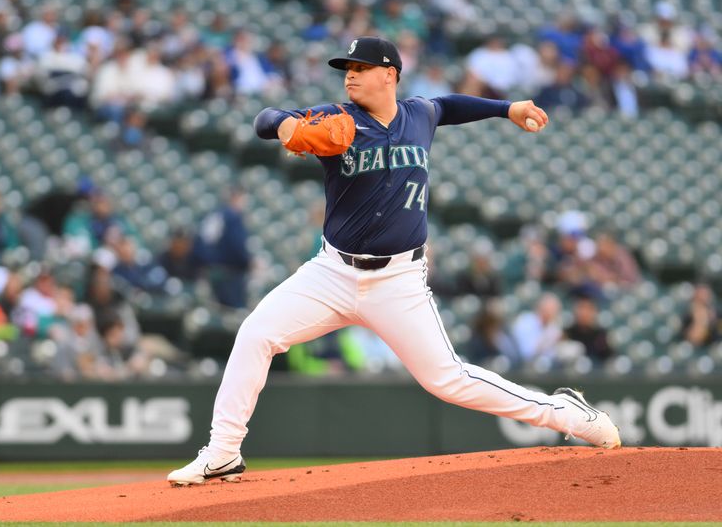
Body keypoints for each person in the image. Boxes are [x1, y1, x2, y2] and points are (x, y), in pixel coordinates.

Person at [167, 36, 620, 486]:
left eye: (360, 67)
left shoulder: (419, 114)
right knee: (255, 334)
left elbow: (450, 105)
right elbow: (266, 119)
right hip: (331, 272)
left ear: (390, 74)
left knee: (448, 380)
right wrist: (285, 126)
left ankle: (566, 414)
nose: (349, 74)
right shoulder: (336, 118)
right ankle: (224, 451)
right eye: (346, 67)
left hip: (398, 280)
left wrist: (507, 108)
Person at [564, 295, 614, 362]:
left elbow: (608, 357)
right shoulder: (568, 333)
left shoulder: (601, 335)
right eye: (581, 308)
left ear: (594, 312)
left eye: (588, 309)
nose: (583, 313)